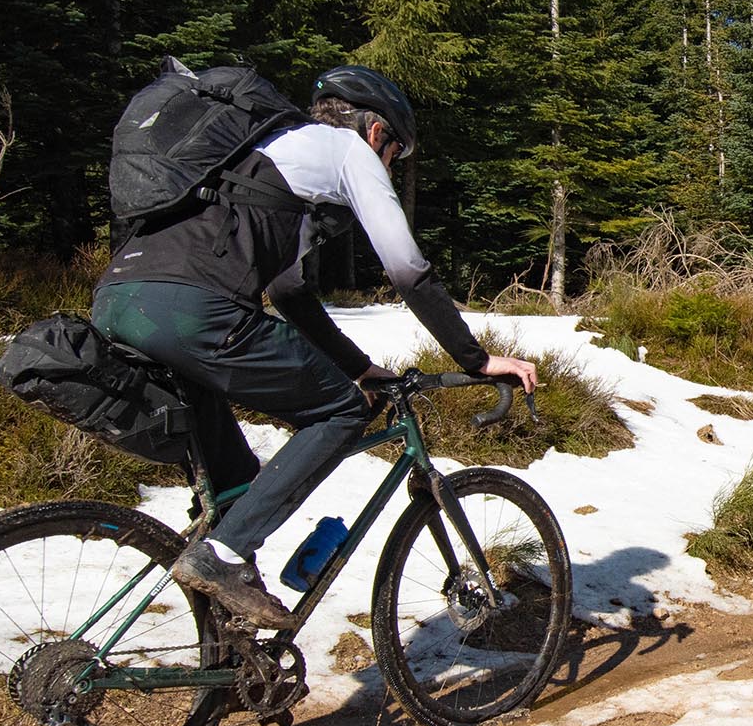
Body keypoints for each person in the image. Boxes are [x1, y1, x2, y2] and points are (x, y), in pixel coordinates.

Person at [92, 65, 535, 629]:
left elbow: (291, 292)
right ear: (377, 133)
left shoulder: (264, 152)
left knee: (233, 488)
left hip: (116, 300)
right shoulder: (346, 152)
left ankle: (229, 649)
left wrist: (358, 366)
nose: (390, 167)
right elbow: (407, 270)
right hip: (195, 309)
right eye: (395, 154)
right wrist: (474, 358)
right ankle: (223, 556)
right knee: (341, 410)